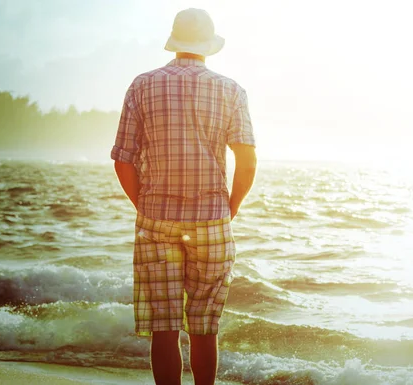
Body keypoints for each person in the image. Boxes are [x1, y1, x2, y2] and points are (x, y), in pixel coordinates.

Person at [111, 8, 257, 385]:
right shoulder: (230, 90)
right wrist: (231, 207)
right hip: (212, 218)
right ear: (208, 46)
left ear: (175, 42)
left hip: (156, 217)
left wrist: (145, 205)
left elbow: (123, 161)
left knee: (164, 326)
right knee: (205, 327)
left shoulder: (142, 85)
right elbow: (247, 159)